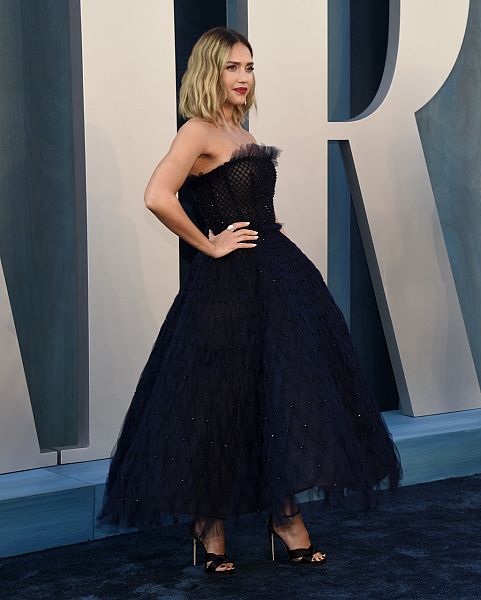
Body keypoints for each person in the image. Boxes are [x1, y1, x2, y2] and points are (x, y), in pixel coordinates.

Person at [97, 27, 401, 573]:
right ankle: (211, 524)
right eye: (233, 67)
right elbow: (156, 195)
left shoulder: (239, 130)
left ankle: (282, 514)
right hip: (228, 290)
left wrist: (262, 224)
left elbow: (244, 197)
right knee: (222, 401)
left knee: (276, 396)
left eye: (250, 67)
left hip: (276, 279)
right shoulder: (197, 130)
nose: (243, 78)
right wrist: (208, 243)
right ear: (209, 71)